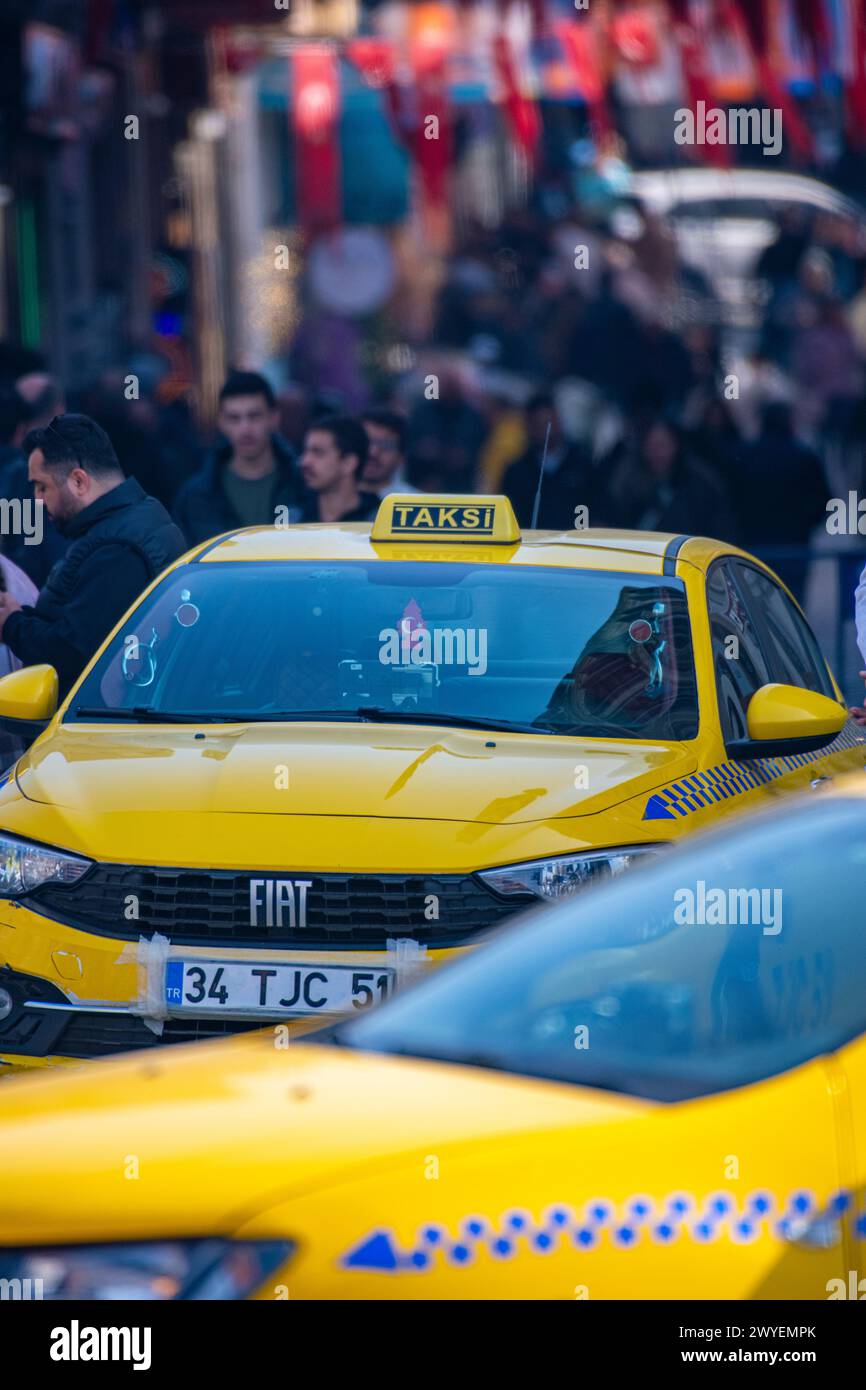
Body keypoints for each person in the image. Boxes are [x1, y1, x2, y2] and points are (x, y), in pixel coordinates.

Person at [0, 414, 185, 697]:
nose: (37, 500)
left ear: (78, 481)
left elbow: (75, 654)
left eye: (42, 486)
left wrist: (13, 625)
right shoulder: (137, 518)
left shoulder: (117, 550)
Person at [172, 371, 304, 544]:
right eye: (234, 418)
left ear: (273, 418)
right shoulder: (195, 497)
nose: (245, 428)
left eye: (254, 416)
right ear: (221, 422)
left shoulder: (304, 486)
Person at [502, 392, 598, 530]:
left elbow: (597, 513)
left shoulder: (584, 466)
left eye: (547, 423)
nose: (544, 431)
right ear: (528, 427)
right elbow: (508, 520)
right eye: (537, 425)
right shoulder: (516, 472)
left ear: (559, 421)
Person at [298, 415, 380, 523]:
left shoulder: (379, 520)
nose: (305, 461)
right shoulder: (293, 515)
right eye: (306, 452)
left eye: (318, 452)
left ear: (349, 463)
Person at [361, 409, 417, 496]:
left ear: (401, 457)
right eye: (366, 442)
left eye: (385, 445)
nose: (373, 452)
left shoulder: (417, 504)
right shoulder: (332, 500)